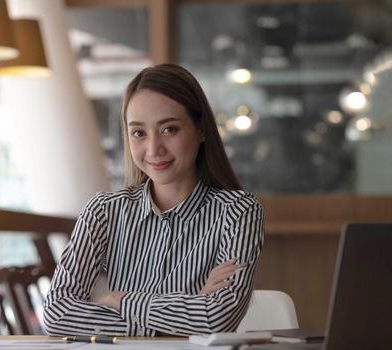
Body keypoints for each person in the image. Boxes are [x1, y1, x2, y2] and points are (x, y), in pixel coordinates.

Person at [44, 63, 264, 336]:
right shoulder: (103, 211)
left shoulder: (239, 212)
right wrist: (187, 316)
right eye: (139, 133)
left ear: (202, 130)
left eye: (169, 129)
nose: (153, 149)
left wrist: (121, 301)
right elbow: (57, 314)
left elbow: (217, 319)